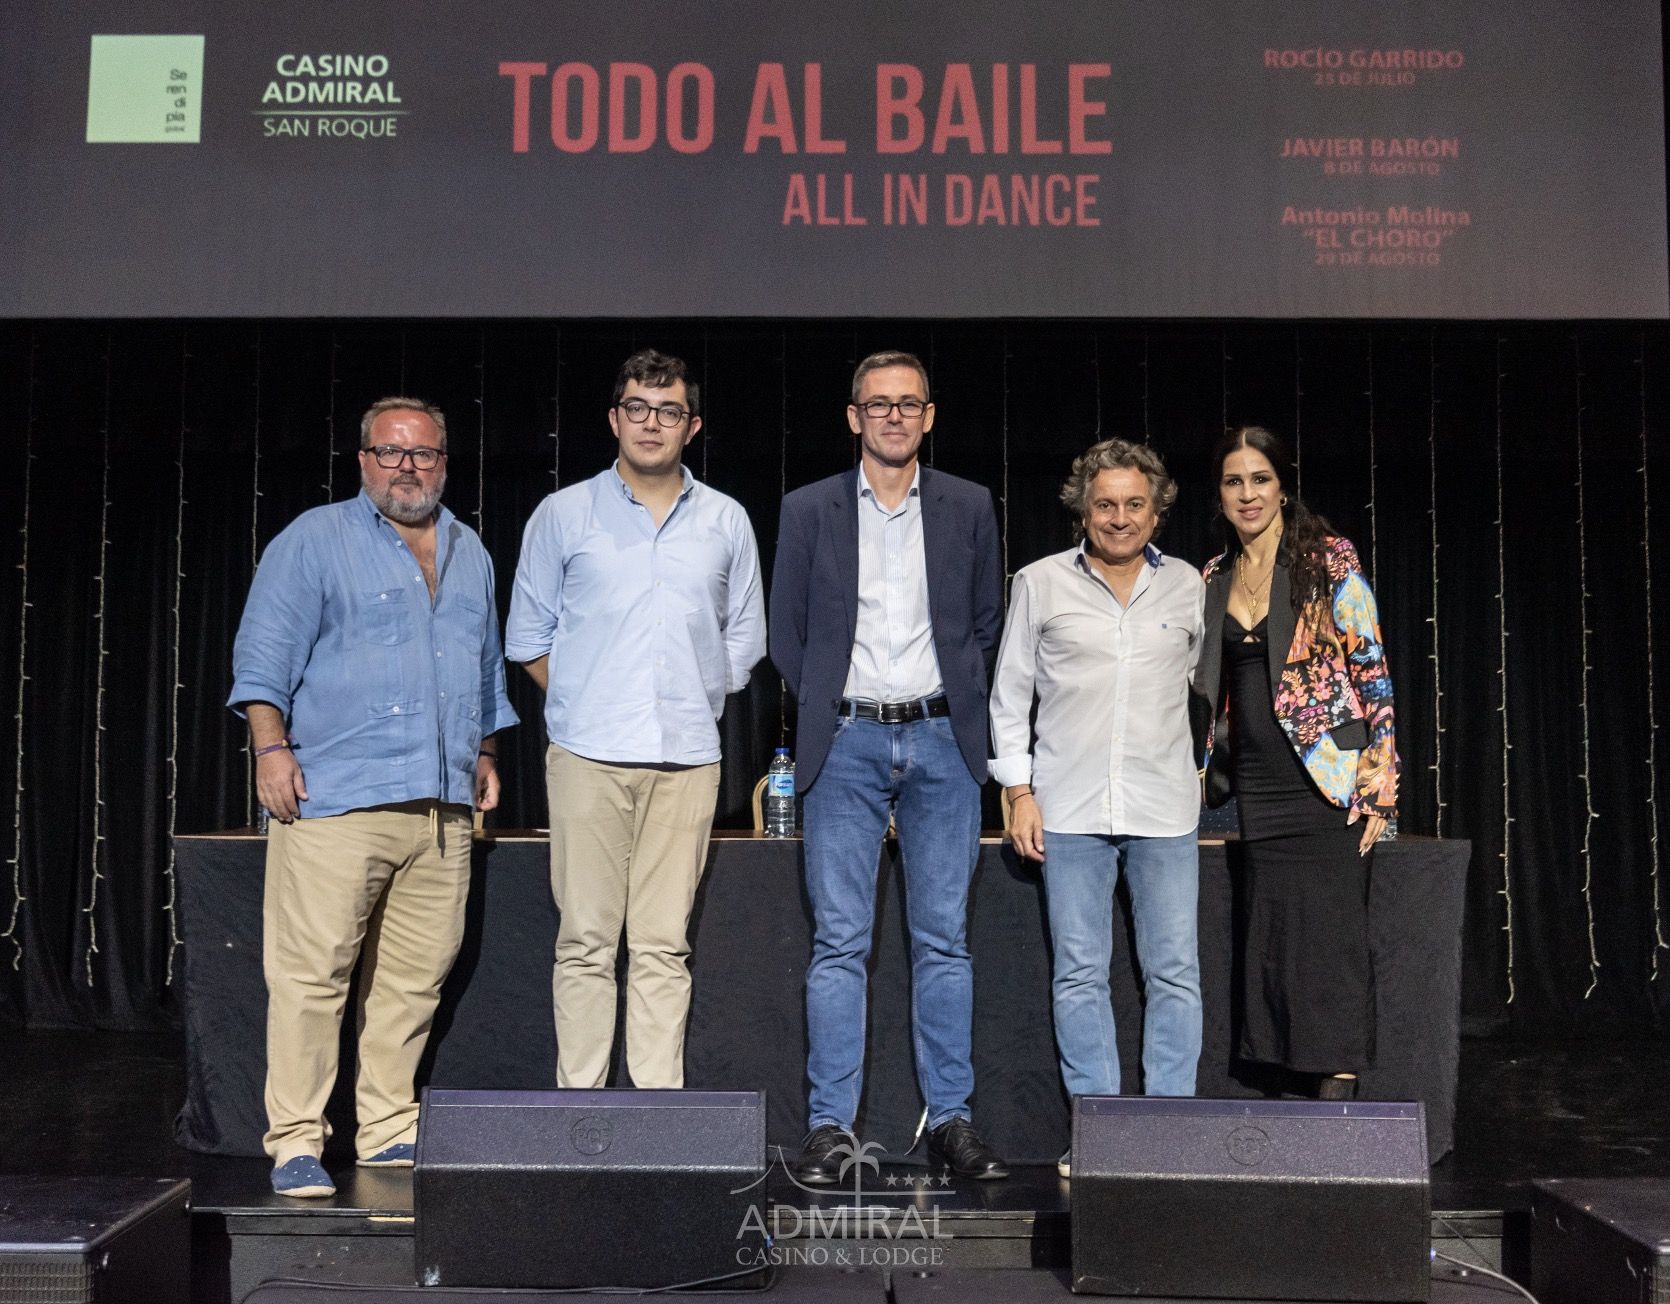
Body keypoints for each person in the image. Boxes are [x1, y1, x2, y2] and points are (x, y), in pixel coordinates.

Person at [228, 396, 517, 1198]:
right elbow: (262, 656)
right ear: (362, 461)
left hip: (441, 808)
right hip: (338, 798)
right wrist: (270, 748)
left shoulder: (470, 550)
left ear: (445, 463)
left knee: (414, 979)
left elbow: (486, 666)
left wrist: (486, 749)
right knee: (312, 975)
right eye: (390, 453)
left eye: (423, 453)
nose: (407, 468)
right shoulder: (314, 541)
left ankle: (388, 1129)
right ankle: (296, 1142)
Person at [770, 350, 1008, 1183]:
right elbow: (785, 635)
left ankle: (950, 1122)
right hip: (846, 745)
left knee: (943, 943)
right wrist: (837, 709)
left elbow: (984, 627)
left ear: (930, 416)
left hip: (944, 741)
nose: (894, 417)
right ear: (853, 417)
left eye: (909, 404)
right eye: (879, 405)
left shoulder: (970, 506)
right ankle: (831, 1127)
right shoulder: (808, 510)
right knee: (840, 944)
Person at [505, 349, 765, 1091]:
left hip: (687, 758)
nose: (653, 424)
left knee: (662, 945)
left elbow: (744, 637)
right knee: (586, 942)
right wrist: (586, 700)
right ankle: (578, 1107)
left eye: (670, 411)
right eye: (639, 409)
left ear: (693, 425)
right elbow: (527, 637)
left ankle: (658, 1116)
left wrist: (691, 697)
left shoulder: (725, 520)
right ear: (616, 418)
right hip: (587, 757)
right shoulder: (564, 514)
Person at [990, 439, 1205, 1177]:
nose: (1119, 518)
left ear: (1157, 509)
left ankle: (1170, 1132)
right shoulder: (1040, 583)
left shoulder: (1187, 587)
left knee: (1174, 973)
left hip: (1165, 807)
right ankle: (1103, 1134)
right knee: (1080, 973)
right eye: (1105, 503)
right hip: (1069, 806)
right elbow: (1009, 693)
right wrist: (1018, 791)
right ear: (1083, 508)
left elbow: (1208, 686)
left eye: (1134, 504)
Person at [1195, 425, 1398, 1099]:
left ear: (1283, 486)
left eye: (1260, 479)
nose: (1247, 494)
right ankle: (1285, 1079)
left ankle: (1336, 1089)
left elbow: (1369, 668)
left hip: (1327, 776)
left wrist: (1377, 782)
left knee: (1331, 936)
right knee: (1274, 933)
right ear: (1219, 493)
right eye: (1233, 481)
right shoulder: (1214, 576)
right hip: (1253, 783)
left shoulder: (1327, 558)